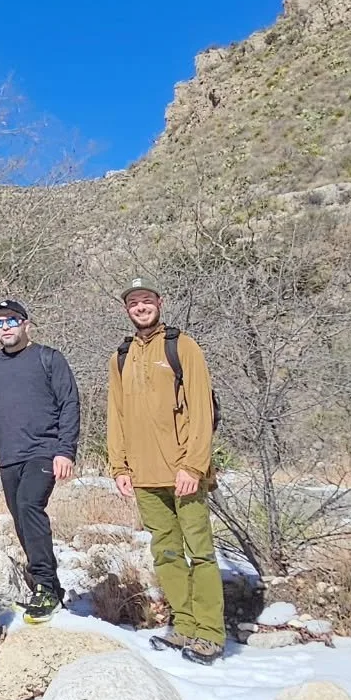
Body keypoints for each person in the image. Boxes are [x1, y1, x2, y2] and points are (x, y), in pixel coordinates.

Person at [108, 276, 225, 665]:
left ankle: (210, 632)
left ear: (160, 302)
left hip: (183, 473)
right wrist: (119, 465)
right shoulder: (121, 356)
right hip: (144, 476)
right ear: (127, 309)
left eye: (146, 300)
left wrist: (193, 465)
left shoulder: (182, 346)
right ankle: (185, 625)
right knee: (167, 553)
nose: (140, 307)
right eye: (133, 303)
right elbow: (116, 415)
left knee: (200, 553)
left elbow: (201, 409)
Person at [0, 299, 79, 623]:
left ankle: (43, 584)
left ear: (26, 324)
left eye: (11, 320)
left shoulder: (49, 358)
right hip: (8, 456)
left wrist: (65, 450)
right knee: (20, 518)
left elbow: (69, 403)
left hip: (43, 451)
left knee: (30, 506)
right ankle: (50, 590)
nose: (5, 327)